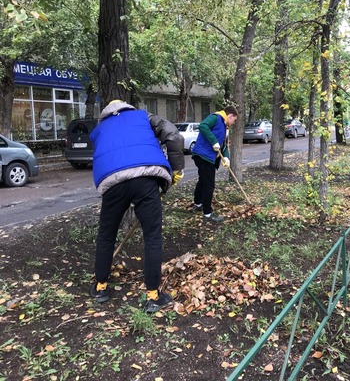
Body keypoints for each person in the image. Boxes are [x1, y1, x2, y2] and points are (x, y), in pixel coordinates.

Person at [89, 100, 185, 313]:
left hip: (112, 181)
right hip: (145, 178)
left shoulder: (100, 129)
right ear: (128, 107)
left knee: (106, 235)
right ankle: (153, 296)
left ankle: (100, 288)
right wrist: (176, 170)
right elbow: (174, 135)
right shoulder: (143, 117)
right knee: (152, 236)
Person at [191, 105, 239, 222]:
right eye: (234, 120)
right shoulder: (216, 118)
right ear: (230, 116)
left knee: (203, 180)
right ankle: (207, 214)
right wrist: (213, 141)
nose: (233, 123)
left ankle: (198, 204)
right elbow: (203, 126)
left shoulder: (225, 127)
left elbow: (224, 146)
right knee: (209, 185)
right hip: (203, 155)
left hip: (208, 157)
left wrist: (226, 158)